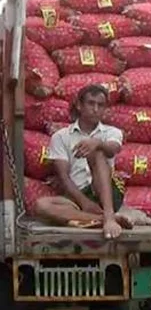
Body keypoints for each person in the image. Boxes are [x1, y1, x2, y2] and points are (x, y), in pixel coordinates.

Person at [35, 84, 133, 239]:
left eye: (100, 105)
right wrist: (84, 202)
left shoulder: (112, 132)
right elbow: (64, 177)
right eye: (91, 103)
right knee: (42, 205)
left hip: (107, 193)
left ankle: (108, 216)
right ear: (79, 106)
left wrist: (97, 143)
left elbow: (113, 148)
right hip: (79, 197)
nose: (95, 109)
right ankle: (102, 219)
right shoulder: (61, 136)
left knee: (97, 152)